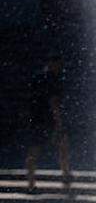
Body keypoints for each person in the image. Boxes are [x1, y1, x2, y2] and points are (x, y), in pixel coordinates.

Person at [24, 54, 71, 195]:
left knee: (34, 151)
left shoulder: (37, 78)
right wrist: (59, 122)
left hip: (36, 119)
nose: (60, 68)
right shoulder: (53, 80)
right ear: (52, 64)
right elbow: (54, 102)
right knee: (62, 146)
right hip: (48, 120)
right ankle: (65, 177)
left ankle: (31, 184)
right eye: (58, 65)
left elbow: (30, 99)